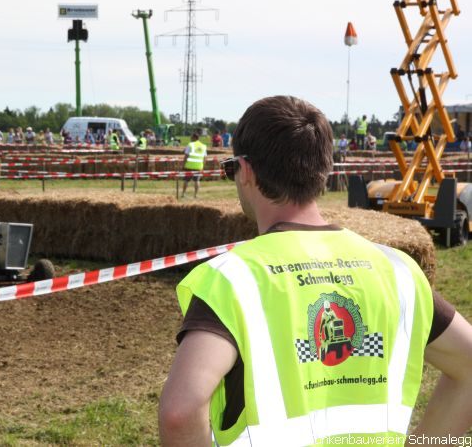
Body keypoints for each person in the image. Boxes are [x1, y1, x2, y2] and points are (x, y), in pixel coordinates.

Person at [158, 95, 472, 446]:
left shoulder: (232, 279)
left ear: (246, 170)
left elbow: (180, 412)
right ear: (323, 171)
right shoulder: (397, 270)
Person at [181, 132, 207, 198]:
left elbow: (186, 156)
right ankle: (195, 195)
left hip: (189, 166)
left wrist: (183, 165)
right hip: (198, 166)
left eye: (191, 137)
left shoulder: (190, 145)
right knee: (197, 181)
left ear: (194, 137)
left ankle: (183, 194)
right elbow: (205, 158)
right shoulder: (203, 146)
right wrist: (203, 166)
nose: (190, 138)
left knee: (186, 180)